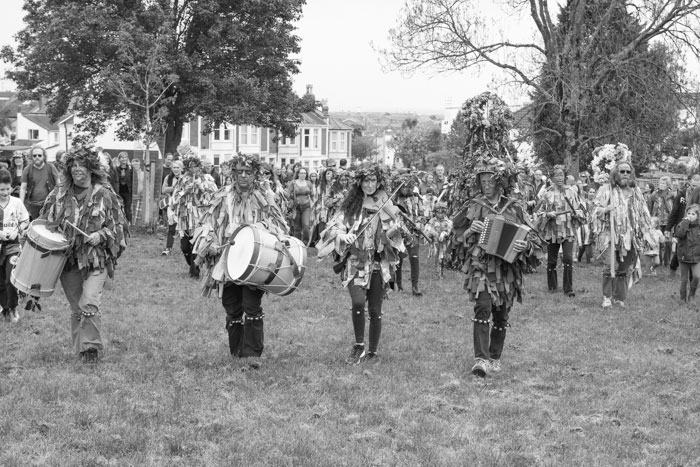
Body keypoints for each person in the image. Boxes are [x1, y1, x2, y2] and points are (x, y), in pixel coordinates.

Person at [192, 155, 288, 370]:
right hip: (226, 260)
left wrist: (261, 231)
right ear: (233, 173)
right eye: (239, 172)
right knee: (232, 306)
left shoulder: (264, 197)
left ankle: (252, 354)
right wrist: (211, 242)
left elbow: (279, 226)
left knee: (251, 305)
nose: (243, 176)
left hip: (254, 260)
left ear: (255, 174)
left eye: (248, 172)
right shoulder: (222, 196)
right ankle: (237, 351)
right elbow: (207, 223)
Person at [452, 158, 539, 377]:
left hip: (507, 268)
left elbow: (534, 237)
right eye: (482, 180)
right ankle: (480, 359)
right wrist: (471, 230)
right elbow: (455, 237)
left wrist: (524, 244)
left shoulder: (514, 207)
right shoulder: (473, 205)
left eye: (491, 180)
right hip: (481, 265)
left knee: (501, 314)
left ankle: (494, 356)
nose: (486, 184)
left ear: (500, 182)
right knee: (482, 306)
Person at [40, 147, 128, 362]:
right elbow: (44, 222)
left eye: (82, 165)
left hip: (96, 259)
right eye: (73, 166)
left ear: (91, 168)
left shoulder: (105, 195)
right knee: (77, 306)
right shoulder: (58, 194)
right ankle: (81, 348)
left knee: (89, 302)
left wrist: (101, 234)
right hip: (68, 260)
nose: (77, 169)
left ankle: (91, 350)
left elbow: (119, 226)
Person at [317, 163, 405, 364]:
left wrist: (394, 231)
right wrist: (343, 235)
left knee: (375, 309)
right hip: (356, 261)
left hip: (377, 261)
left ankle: (373, 350)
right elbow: (333, 227)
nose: (370, 184)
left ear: (379, 181)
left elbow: (396, 235)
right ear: (359, 183)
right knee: (357, 303)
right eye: (366, 180)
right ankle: (359, 346)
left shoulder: (386, 203)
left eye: (373, 180)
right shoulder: (351, 205)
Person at [593, 161, 652, 308]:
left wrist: (648, 233)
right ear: (615, 173)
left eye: (627, 171)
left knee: (624, 268)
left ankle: (619, 298)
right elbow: (594, 211)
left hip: (630, 236)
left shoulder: (636, 192)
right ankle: (607, 297)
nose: (625, 174)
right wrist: (606, 209)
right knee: (609, 265)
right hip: (609, 234)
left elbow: (644, 214)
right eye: (622, 171)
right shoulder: (606, 190)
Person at [537, 165, 585, 297]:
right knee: (552, 260)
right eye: (556, 175)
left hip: (568, 230)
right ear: (552, 177)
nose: (559, 177)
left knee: (568, 258)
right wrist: (548, 214)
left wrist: (577, 215)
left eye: (561, 175)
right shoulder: (547, 193)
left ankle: (568, 289)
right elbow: (539, 213)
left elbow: (580, 209)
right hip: (552, 231)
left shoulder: (571, 192)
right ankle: (552, 286)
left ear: (564, 176)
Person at [171, 156, 217, 278]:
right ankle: (191, 264)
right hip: (184, 219)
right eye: (190, 167)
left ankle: (194, 271)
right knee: (185, 247)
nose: (193, 169)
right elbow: (174, 199)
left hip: (200, 218)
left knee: (196, 245)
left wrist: (201, 188)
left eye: (195, 166)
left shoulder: (207, 179)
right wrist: (184, 192)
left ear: (199, 167)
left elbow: (213, 197)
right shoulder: (182, 180)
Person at [0, 169, 30, 323]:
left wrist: (18, 230)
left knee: (10, 277)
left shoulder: (17, 202)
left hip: (13, 245)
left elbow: (25, 220)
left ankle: (12, 308)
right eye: (1, 189)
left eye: (7, 188)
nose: (5, 192)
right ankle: (4, 307)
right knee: (1, 280)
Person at [395, 176, 424, 296]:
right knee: (398, 259)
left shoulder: (417, 198)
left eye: (410, 186)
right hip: (398, 232)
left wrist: (419, 223)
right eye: (405, 187)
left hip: (413, 232)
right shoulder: (394, 199)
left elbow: (422, 214)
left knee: (414, 257)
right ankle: (398, 285)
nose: (407, 189)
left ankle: (415, 286)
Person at [19, 147, 59, 220]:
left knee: (48, 227)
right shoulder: (27, 169)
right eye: (34, 156)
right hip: (33, 205)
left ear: (44, 156)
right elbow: (23, 188)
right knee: (36, 226)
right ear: (31, 157)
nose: (37, 157)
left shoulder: (50, 167)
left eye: (39, 155)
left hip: (49, 204)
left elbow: (59, 184)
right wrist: (21, 204)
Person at [675, 203, 700, 303]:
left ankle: (692, 295)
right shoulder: (682, 224)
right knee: (684, 280)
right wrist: (685, 223)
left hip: (696, 257)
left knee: (697, 276)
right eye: (689, 213)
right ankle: (682, 298)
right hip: (684, 256)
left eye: (693, 214)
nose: (690, 215)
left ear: (698, 216)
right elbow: (680, 234)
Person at [648, 176, 674, 267]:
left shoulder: (672, 194)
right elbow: (650, 206)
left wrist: (665, 198)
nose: (662, 185)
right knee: (657, 241)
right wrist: (650, 218)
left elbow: (673, 208)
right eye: (661, 183)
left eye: (664, 183)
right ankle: (658, 261)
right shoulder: (654, 194)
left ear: (668, 185)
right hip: (657, 221)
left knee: (668, 242)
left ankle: (667, 262)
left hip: (668, 221)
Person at [424, 201, 453, 277]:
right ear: (435, 212)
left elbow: (449, 231)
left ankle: (441, 273)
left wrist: (445, 234)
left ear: (445, 212)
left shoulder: (448, 222)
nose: (440, 214)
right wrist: (431, 234)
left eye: (442, 213)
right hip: (435, 243)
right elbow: (427, 230)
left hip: (444, 244)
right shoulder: (432, 221)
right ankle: (437, 273)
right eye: (438, 213)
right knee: (436, 258)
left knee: (442, 258)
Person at [161, 160, 183, 256]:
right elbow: (163, 190)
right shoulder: (169, 178)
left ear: (181, 168)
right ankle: (168, 247)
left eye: (178, 167)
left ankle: (185, 248)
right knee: (172, 227)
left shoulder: (185, 178)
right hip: (172, 205)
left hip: (183, 205)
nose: (176, 169)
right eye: (174, 167)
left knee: (183, 227)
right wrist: (173, 188)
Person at [287, 167, 314, 244]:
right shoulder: (293, 183)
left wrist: (313, 204)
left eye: (304, 173)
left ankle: (305, 242)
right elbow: (288, 195)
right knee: (297, 227)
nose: (303, 174)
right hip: (296, 207)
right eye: (301, 173)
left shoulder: (309, 183)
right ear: (298, 174)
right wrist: (292, 198)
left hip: (306, 207)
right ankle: (297, 243)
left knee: (306, 225)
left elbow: (312, 195)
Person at [111, 152, 133, 224]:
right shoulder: (116, 169)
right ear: (119, 159)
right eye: (122, 157)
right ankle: (119, 221)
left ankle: (128, 222)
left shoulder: (130, 168)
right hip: (119, 190)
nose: (124, 159)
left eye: (125, 157)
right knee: (119, 206)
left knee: (128, 208)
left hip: (128, 191)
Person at [130, 158, 145, 225]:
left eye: (137, 164)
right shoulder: (129, 173)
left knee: (138, 213)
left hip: (140, 195)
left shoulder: (143, 174)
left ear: (139, 165)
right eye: (134, 164)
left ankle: (136, 226)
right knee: (131, 211)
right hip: (131, 195)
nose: (135, 165)